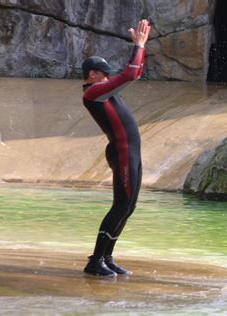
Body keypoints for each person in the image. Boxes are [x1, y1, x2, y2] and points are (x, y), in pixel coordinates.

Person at [81, 19, 151, 277]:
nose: (108, 77)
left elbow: (136, 72)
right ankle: (95, 260)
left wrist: (139, 47)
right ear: (92, 75)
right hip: (122, 153)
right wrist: (140, 45)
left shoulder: (105, 90)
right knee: (120, 206)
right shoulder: (93, 93)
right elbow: (130, 74)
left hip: (131, 152)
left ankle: (107, 258)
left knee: (129, 206)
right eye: (104, 73)